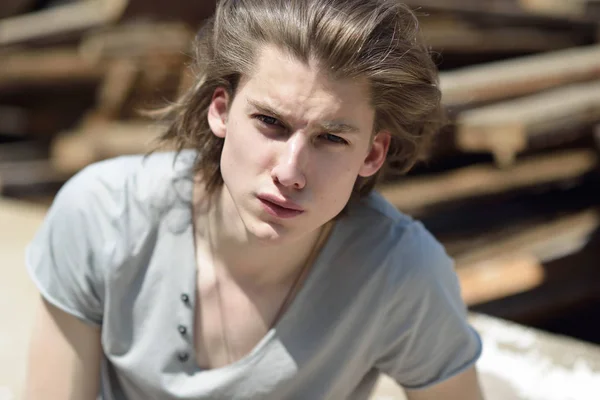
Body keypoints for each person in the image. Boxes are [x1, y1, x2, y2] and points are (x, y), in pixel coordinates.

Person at [23, 0, 484, 399]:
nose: (290, 171)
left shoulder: (400, 273)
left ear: (373, 152)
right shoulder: (104, 214)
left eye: (330, 138)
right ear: (220, 110)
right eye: (270, 122)